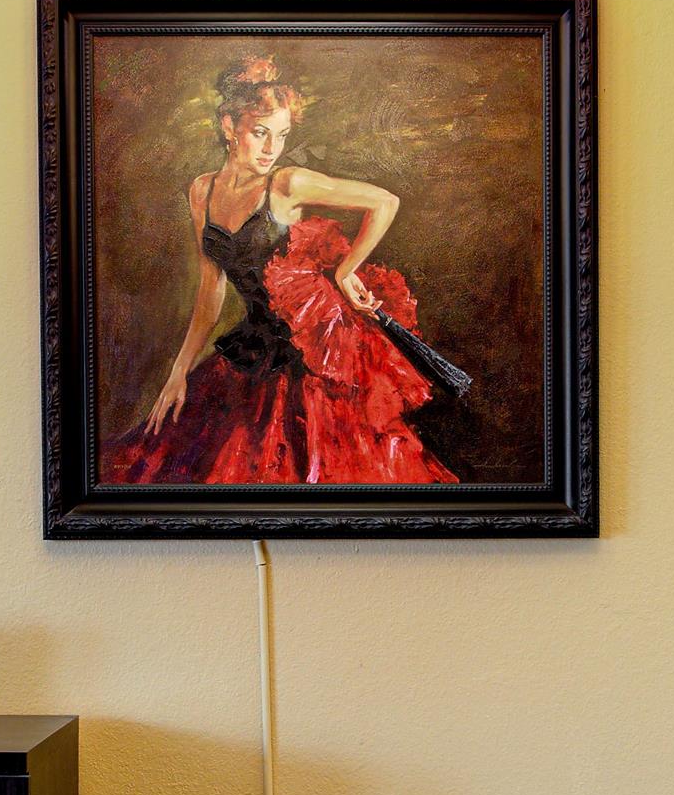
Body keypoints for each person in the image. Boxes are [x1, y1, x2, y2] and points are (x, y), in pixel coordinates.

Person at [102, 56, 458, 485]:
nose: (272, 148)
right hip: (252, 349)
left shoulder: (287, 183)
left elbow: (385, 201)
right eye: (260, 133)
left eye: (282, 135)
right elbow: (210, 291)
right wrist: (178, 372)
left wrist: (347, 272)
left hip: (308, 353)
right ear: (229, 126)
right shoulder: (202, 191)